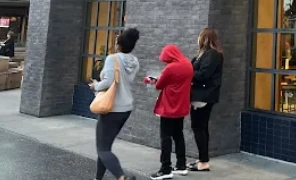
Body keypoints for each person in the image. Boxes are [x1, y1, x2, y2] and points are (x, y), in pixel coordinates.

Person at [90, 28, 140, 180]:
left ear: (119, 44)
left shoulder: (113, 58)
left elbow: (109, 82)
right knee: (105, 146)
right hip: (125, 108)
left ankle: (121, 177)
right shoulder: (134, 61)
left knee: (103, 149)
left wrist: (95, 86)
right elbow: (126, 81)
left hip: (112, 106)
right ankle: (98, 178)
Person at [149, 44, 193, 179]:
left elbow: (159, 85)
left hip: (168, 107)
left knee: (165, 137)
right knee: (178, 135)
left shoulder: (170, 68)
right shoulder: (188, 64)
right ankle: (181, 165)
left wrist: (151, 81)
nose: (165, 62)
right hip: (181, 106)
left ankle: (165, 168)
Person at [188, 28, 225, 172]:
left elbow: (203, 75)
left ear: (204, 38)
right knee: (201, 127)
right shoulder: (205, 54)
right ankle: (203, 158)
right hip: (201, 95)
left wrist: (189, 71)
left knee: (198, 127)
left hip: (203, 96)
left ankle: (203, 162)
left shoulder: (212, 55)